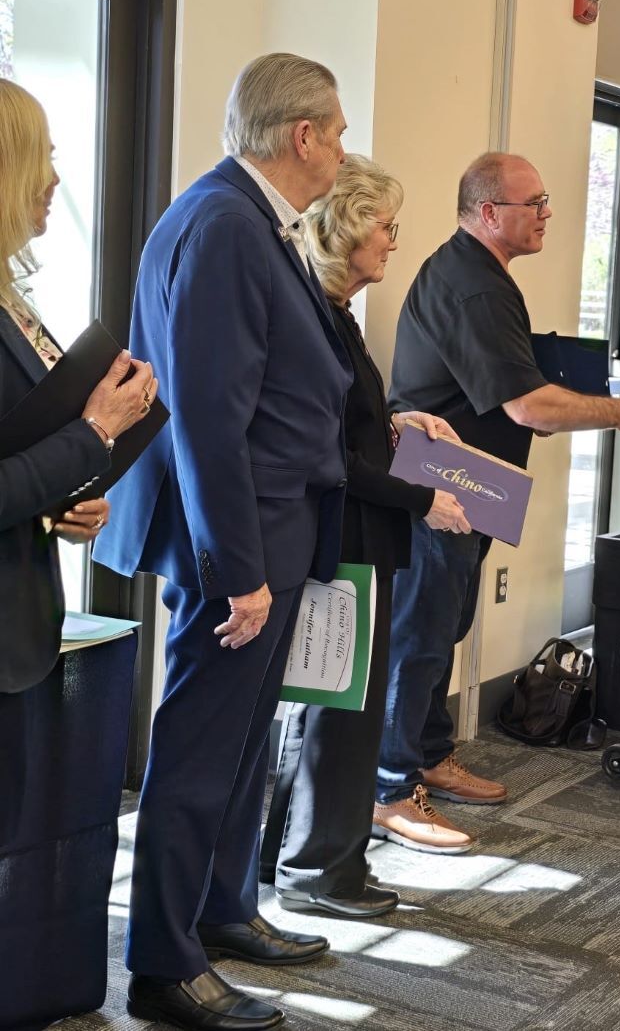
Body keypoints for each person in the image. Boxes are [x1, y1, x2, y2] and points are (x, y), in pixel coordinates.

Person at [94, 53, 354, 1031]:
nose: (341, 148)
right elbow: (207, 415)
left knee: (243, 751)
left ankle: (220, 905)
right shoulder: (221, 223)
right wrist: (238, 569)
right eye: (336, 130)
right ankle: (163, 963)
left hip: (273, 534)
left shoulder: (251, 221)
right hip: (236, 548)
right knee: (201, 754)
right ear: (303, 136)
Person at [372, 151, 620, 853]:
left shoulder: (482, 275)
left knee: (445, 627)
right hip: (437, 483)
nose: (545, 214)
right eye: (531, 202)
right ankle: (391, 790)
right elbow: (531, 408)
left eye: (543, 200)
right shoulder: (472, 287)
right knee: (419, 634)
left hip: (471, 484)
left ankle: (426, 753)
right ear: (488, 213)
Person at [258, 155, 471, 918]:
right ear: (346, 229)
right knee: (336, 717)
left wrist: (396, 424)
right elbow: (332, 457)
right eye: (384, 226)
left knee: (336, 710)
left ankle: (322, 860)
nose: (393, 239)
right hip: (338, 540)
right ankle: (318, 873)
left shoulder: (336, 313)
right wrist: (424, 498)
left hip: (353, 539)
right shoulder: (316, 313)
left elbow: (345, 427)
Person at [0, 80, 157, 1027]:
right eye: (44, 155)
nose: (58, 176)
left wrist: (63, 505)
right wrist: (93, 436)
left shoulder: (13, 298)